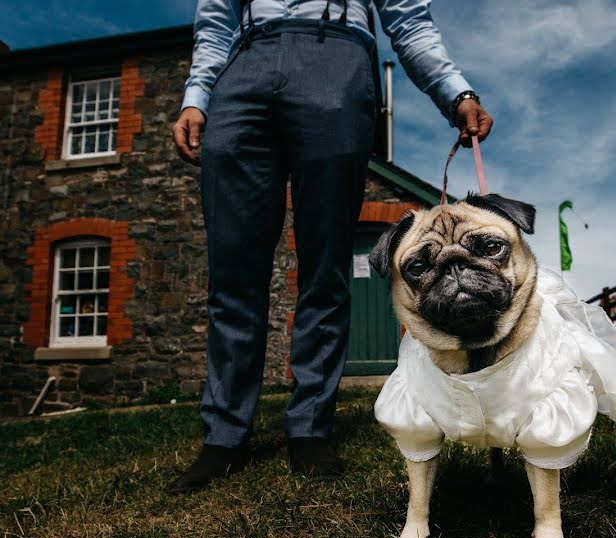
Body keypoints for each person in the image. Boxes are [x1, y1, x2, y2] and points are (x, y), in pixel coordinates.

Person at [169, 0, 493, 493]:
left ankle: (309, 427)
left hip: (337, 58)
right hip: (245, 64)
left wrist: (454, 91)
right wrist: (198, 96)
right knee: (234, 268)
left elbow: (407, 19)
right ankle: (224, 435)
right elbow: (216, 20)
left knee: (325, 263)